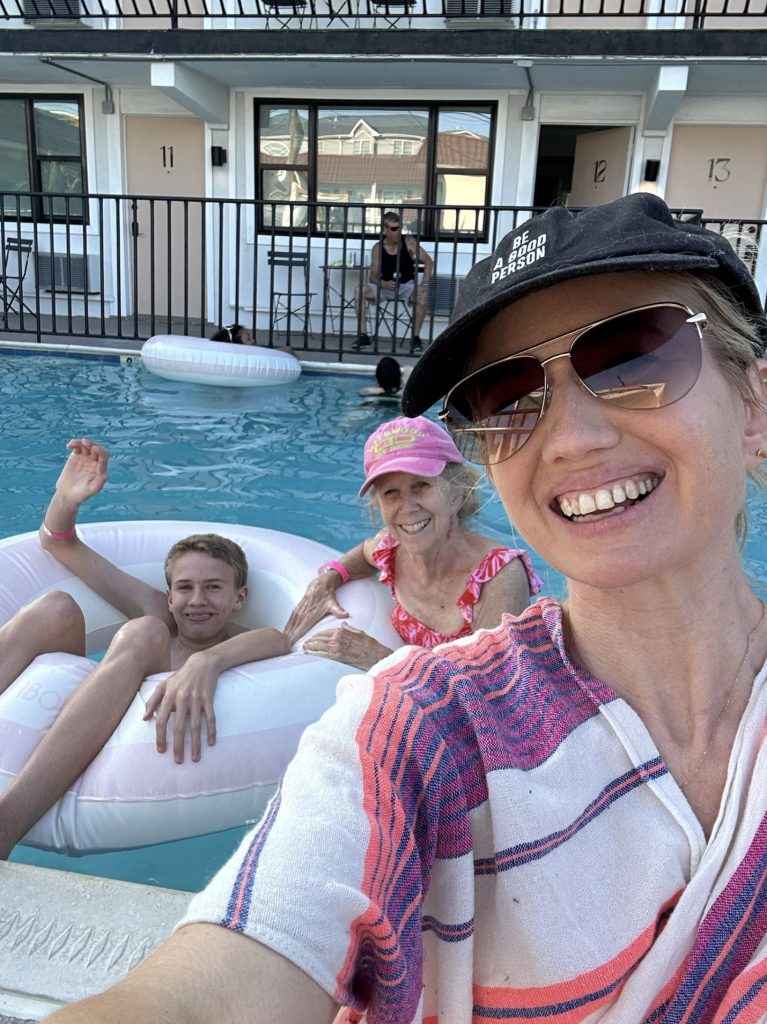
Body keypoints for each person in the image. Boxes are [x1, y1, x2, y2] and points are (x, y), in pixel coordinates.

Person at [45, 192, 767, 1022]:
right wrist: (317, 590)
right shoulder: (411, 728)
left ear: (752, 405)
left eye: (633, 359)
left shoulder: (492, 577)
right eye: (504, 398)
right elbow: (220, 980)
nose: (569, 438)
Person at [0, 438, 289, 861]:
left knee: (145, 632)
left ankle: (6, 825)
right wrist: (66, 497)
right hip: (80, 705)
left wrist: (207, 662)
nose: (198, 601)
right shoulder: (160, 615)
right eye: (185, 589)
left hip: (127, 761)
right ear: (169, 595)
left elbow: (281, 639)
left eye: (213, 588)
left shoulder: (246, 640)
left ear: (239, 597)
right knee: (57, 609)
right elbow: (59, 542)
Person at [286, 415, 540, 672]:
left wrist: (382, 658)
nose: (406, 507)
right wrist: (330, 578)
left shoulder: (498, 577)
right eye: (391, 492)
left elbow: (492, 688)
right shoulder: (390, 550)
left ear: (456, 494)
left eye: (421, 486)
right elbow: (363, 555)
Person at [353, 211, 433, 355]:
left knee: (422, 294)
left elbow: (428, 261)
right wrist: (384, 284)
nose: (398, 232)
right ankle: (363, 335)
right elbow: (373, 277)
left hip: (406, 286)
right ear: (385, 230)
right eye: (394, 229)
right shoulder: (378, 248)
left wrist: (424, 285)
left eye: (399, 227)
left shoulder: (408, 241)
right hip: (383, 287)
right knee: (359, 291)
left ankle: (415, 337)